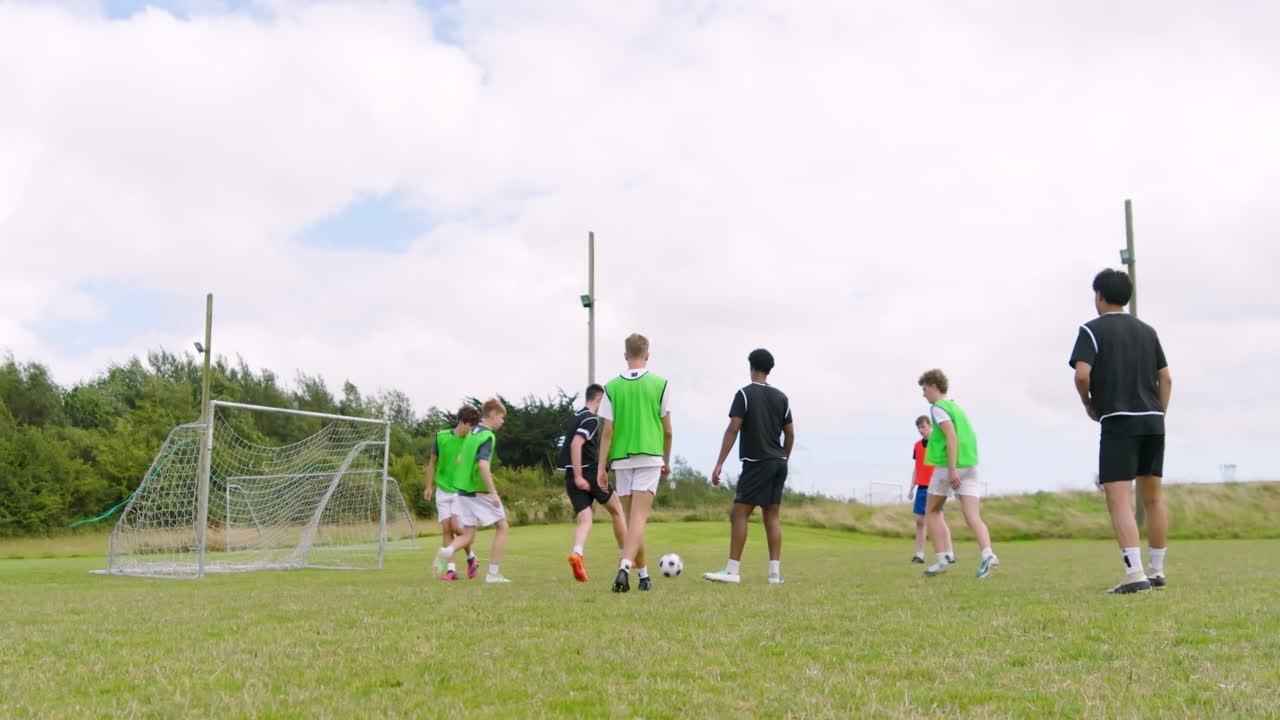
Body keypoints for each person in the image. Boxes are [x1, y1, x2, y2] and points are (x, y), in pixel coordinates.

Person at [1069, 268, 1172, 594]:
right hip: (1154, 420)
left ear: (1099, 296)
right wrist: (1159, 414)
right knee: (1153, 499)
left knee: (1119, 499)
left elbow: (1082, 374)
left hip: (1119, 421)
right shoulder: (1147, 331)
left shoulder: (1091, 330)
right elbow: (1166, 378)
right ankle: (1156, 571)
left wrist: (1088, 403)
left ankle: (1134, 574)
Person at [703, 349, 794, 585]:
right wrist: (783, 458)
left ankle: (732, 570)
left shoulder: (744, 394)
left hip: (757, 463)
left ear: (751, 367)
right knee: (771, 515)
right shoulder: (782, 397)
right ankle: (774, 573)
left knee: (739, 513)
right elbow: (790, 433)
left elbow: (733, 428)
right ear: (769, 369)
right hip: (778, 463)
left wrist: (719, 462)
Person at [596, 333, 672, 593]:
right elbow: (668, 430)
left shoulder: (611, 387)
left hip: (621, 460)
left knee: (631, 523)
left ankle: (644, 576)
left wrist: (600, 467)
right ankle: (625, 568)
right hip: (650, 455)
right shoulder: (660, 384)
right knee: (638, 520)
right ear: (647, 355)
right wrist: (667, 459)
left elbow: (607, 430)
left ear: (626, 355)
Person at [917, 369, 999, 579]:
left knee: (932, 510)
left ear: (934, 386)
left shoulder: (938, 408)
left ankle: (942, 559)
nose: (923, 394)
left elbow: (950, 435)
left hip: (951, 465)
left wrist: (952, 468)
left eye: (925, 389)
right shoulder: (956, 407)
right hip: (971, 464)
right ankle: (988, 555)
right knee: (973, 516)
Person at [433, 399, 512, 583]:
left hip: (461, 492)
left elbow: (460, 459)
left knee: (468, 535)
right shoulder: (487, 436)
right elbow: (483, 464)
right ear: (492, 415)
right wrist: (493, 492)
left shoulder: (472, 434)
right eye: (502, 417)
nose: (502, 421)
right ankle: (493, 574)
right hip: (479, 492)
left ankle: (447, 551)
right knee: (502, 526)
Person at [561, 383, 628, 582]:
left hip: (569, 474)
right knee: (617, 511)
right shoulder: (591, 419)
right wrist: (581, 476)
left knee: (585, 519)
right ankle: (624, 557)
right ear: (599, 400)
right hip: (589, 471)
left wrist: (575, 476)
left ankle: (577, 553)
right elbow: (576, 444)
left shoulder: (575, 418)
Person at [423, 405, 481, 580]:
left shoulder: (472, 441)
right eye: (470, 426)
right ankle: (451, 569)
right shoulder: (441, 437)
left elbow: (476, 468)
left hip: (461, 491)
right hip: (442, 490)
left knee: (457, 526)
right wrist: (428, 487)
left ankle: (471, 557)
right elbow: (432, 463)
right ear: (462, 422)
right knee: (446, 528)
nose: (472, 431)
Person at [909, 415, 953, 565]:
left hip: (935, 486)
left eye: (924, 427)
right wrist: (911, 487)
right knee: (920, 521)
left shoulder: (938, 443)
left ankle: (949, 553)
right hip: (921, 487)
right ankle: (919, 555)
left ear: (930, 426)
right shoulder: (916, 446)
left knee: (939, 519)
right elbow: (917, 468)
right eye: (919, 428)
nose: (921, 430)